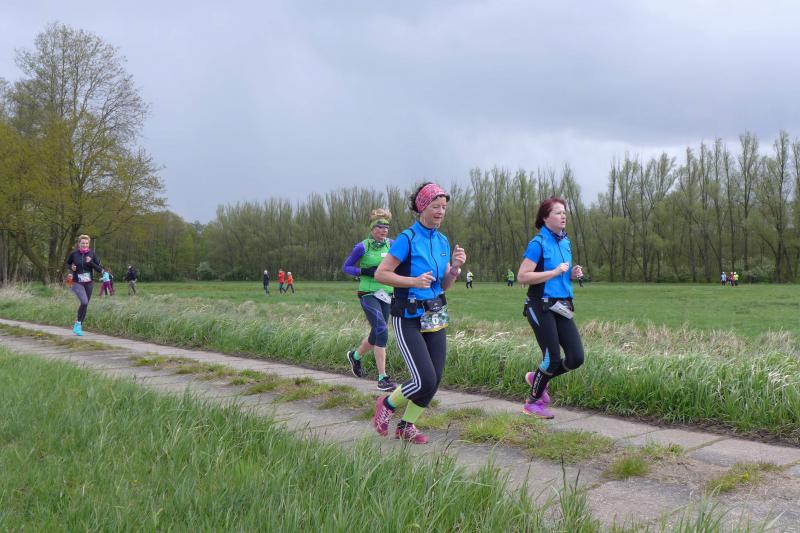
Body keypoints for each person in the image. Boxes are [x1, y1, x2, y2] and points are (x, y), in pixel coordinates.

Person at [372, 182, 467, 444]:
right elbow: (381, 274)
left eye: (444, 207)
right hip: (408, 316)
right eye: (436, 206)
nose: (440, 212)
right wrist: (413, 281)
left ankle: (406, 426)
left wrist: (455, 268)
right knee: (424, 378)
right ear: (423, 207)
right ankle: (386, 404)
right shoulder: (407, 239)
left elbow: (443, 285)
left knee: (434, 379)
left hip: (435, 314)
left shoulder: (443, 240)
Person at [517, 197, 584, 419]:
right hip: (539, 305)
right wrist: (554, 272)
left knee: (576, 358)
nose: (563, 216)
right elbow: (522, 276)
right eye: (557, 212)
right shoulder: (538, 243)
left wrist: (571, 274)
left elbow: (558, 276)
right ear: (545, 218)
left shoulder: (565, 242)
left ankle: (536, 377)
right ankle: (532, 404)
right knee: (552, 358)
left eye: (564, 212)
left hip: (562, 305)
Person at [342, 208, 398, 391]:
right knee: (382, 329)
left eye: (387, 227)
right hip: (367, 293)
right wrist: (363, 271)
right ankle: (383, 378)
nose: (384, 230)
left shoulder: (392, 245)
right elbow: (346, 267)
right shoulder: (362, 247)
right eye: (380, 227)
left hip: (387, 293)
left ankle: (355, 356)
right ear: (373, 228)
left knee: (377, 333)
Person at [65, 234, 104, 336]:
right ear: (79, 244)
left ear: (88, 244)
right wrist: (71, 267)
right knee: (84, 301)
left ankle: (78, 325)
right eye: (83, 243)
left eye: (86, 243)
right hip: (77, 282)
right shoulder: (74, 254)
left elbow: (99, 269)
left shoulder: (92, 254)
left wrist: (91, 262)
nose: (85, 245)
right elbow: (67, 264)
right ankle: (78, 324)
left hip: (89, 283)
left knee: (85, 304)